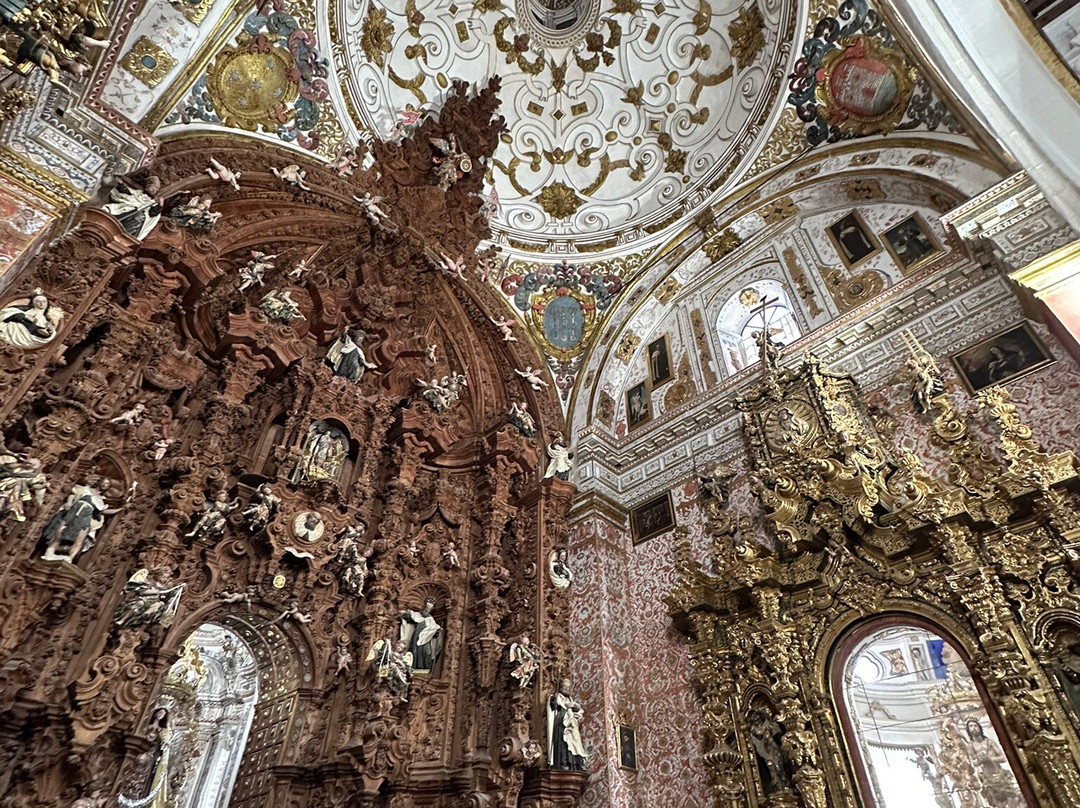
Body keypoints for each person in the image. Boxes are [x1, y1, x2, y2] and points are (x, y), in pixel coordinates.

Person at [547, 679, 586, 770]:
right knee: (563, 743)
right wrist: (554, 699)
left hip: (572, 725)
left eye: (568, 687)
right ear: (560, 687)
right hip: (561, 722)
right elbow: (553, 705)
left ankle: (574, 763)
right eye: (564, 686)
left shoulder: (570, 699)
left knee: (574, 742)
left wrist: (575, 707)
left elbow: (577, 709)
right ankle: (563, 762)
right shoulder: (558, 697)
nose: (566, 688)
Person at [0, 450, 46, 522]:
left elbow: (34, 485)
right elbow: (7, 467)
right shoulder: (17, 468)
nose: (29, 465)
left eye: (32, 464)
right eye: (29, 462)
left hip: (13, 490)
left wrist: (43, 486)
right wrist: (21, 465)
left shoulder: (32, 475)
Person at [399, 597, 443, 673]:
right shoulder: (416, 615)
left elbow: (435, 633)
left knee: (426, 652)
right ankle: (412, 667)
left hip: (426, 641)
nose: (427, 611)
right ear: (423, 607)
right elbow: (406, 616)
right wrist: (404, 613)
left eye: (429, 610)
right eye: (426, 609)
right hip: (415, 638)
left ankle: (423, 668)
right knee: (414, 651)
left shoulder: (431, 621)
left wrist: (437, 631)